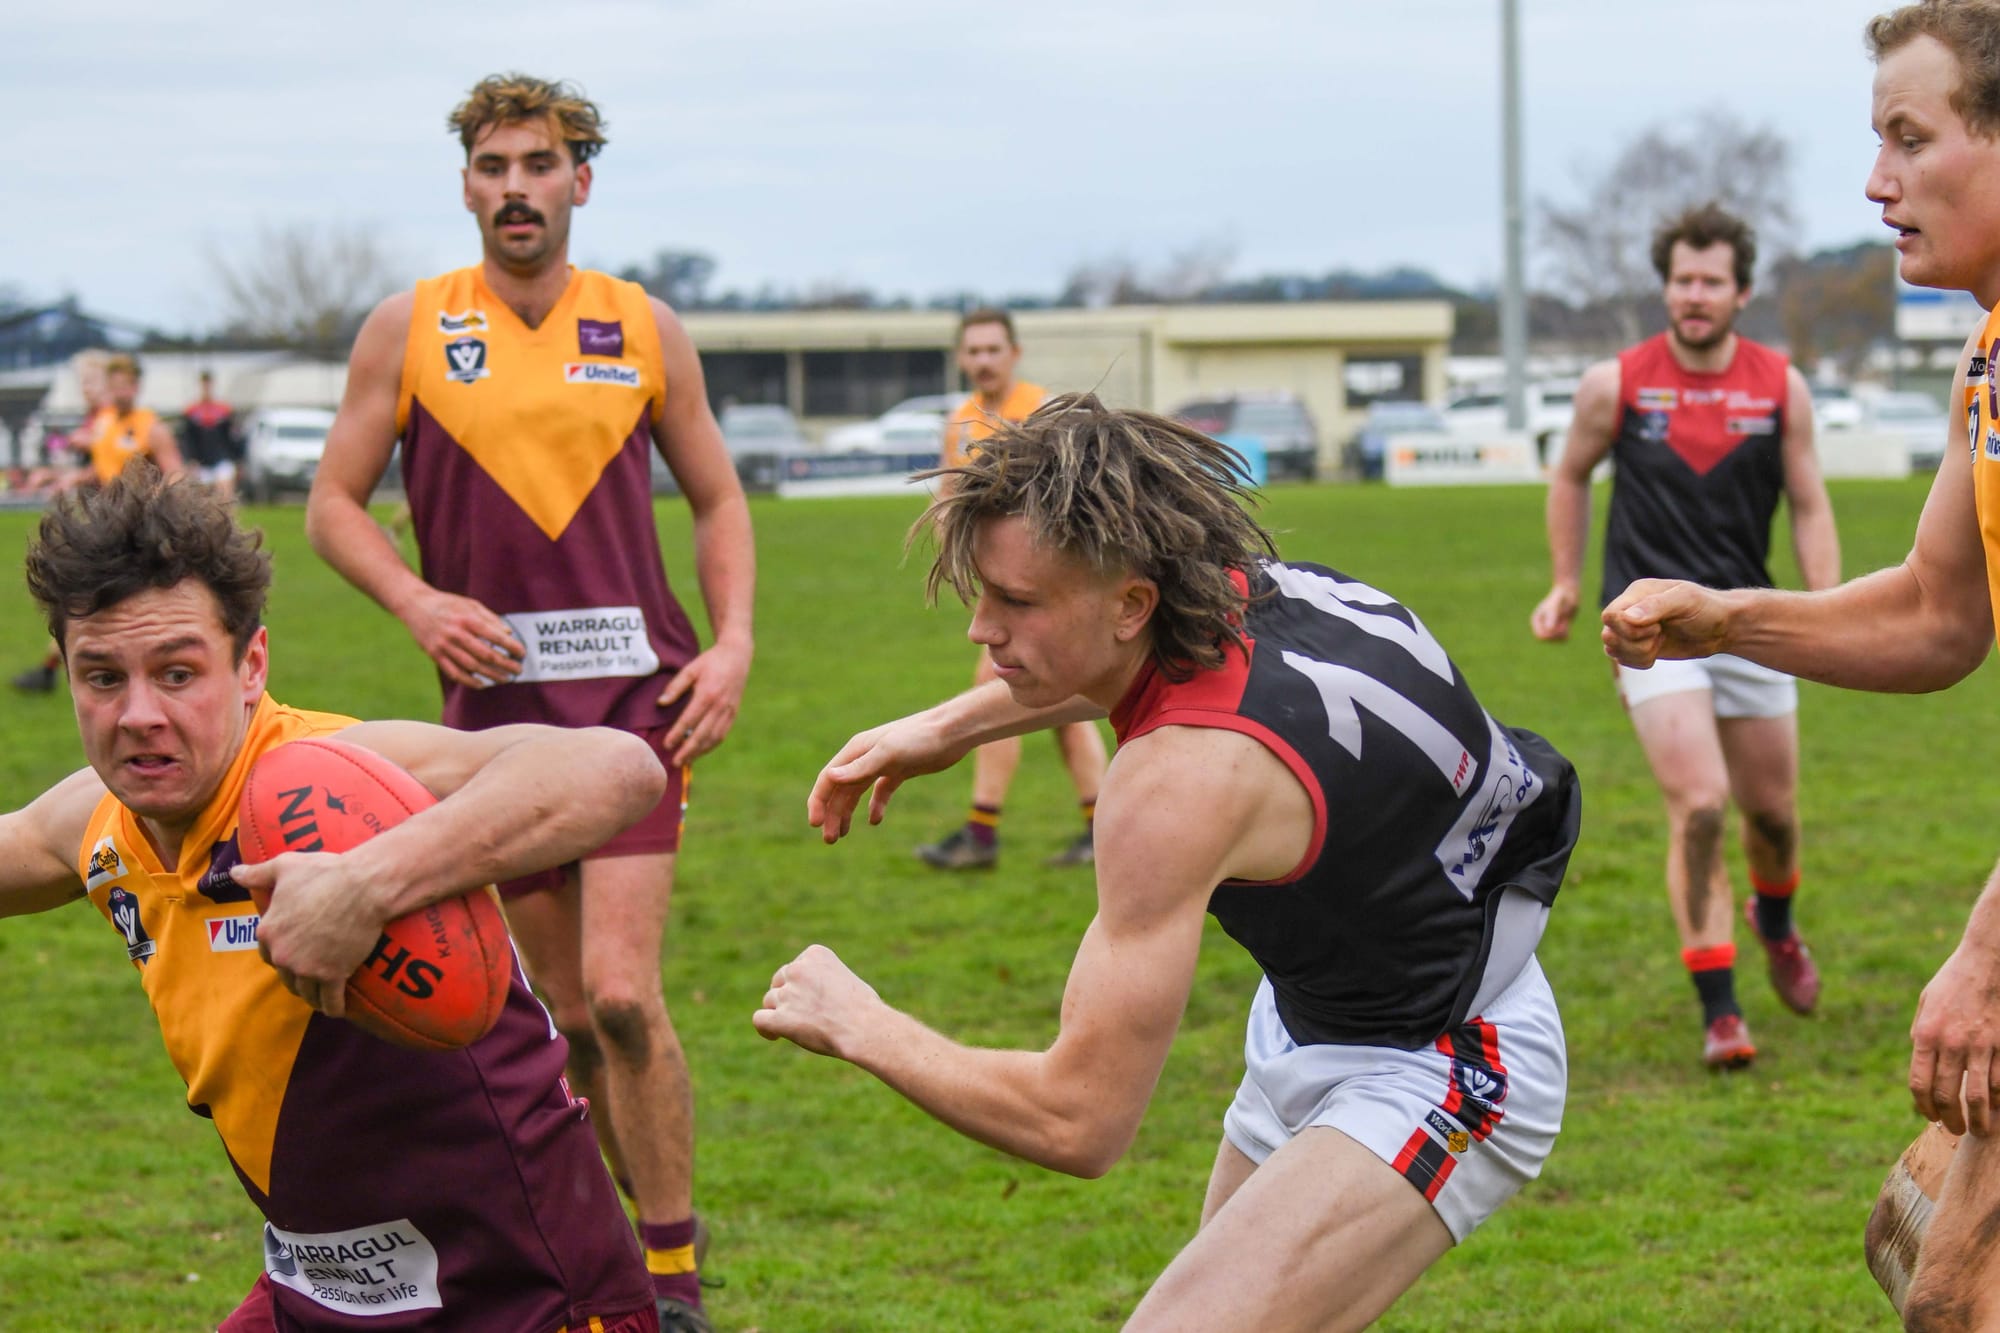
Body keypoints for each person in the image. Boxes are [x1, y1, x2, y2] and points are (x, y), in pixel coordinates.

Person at [764, 395, 1582, 1330]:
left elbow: (1077, 1119)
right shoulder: (1255, 587)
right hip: (1344, 999)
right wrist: (945, 725)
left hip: (1447, 1057)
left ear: (1130, 601)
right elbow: (1129, 673)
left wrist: (861, 1024)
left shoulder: (1174, 787)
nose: (979, 630)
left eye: (1017, 600)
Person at [2, 465, 667, 1332]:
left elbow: (619, 767)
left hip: (520, 1290)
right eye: (100, 677)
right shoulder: (94, 824)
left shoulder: (335, 778)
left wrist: (368, 881)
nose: (138, 716)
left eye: (177, 673)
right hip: (315, 1288)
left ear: (252, 664)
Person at [305, 73, 752, 1333]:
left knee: (619, 992)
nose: (516, 187)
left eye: (539, 165)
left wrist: (731, 647)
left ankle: (671, 1273)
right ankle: (612, 1238)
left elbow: (718, 498)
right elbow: (333, 505)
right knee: (555, 1014)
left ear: (579, 182)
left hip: (634, 699)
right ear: (466, 186)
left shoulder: (646, 325)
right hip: (495, 723)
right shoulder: (407, 327)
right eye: (494, 166)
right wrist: (416, 602)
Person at [1602, 5, 2000, 1319]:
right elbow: (1939, 613)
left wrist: (1989, 946)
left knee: (1951, 1283)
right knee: (1939, 1279)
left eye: (1908, 138)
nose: (1876, 183)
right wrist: (1728, 617)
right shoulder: (1989, 357)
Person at [1530, 202, 1840, 1070]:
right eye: (1681, 280)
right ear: (1666, 286)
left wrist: (1832, 603)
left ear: (1741, 292)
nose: (1693, 295)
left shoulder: (1781, 386)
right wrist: (1563, 580)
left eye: (1711, 281)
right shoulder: (1616, 383)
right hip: (1652, 629)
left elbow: (1809, 501)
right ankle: (1721, 1008)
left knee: (1772, 815)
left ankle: (1774, 919)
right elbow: (1571, 474)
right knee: (1700, 804)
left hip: (1749, 622)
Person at [913, 308, 1107, 870]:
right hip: (1000, 592)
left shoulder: (1046, 413)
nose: (982, 361)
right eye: (972, 351)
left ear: (1014, 354)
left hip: (1050, 591)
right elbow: (950, 502)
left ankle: (982, 833)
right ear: (960, 359)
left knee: (996, 694)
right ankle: (1097, 828)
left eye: (993, 350)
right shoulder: (960, 422)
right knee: (1064, 709)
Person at [14, 351, 184, 694]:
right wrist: (68, 478)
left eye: (125, 386)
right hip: (106, 526)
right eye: (114, 386)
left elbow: (176, 476)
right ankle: (78, 669)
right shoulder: (105, 422)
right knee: (84, 596)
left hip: (140, 530)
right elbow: (102, 467)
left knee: (94, 596)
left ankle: (154, 667)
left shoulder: (151, 427)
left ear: (136, 387)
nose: (119, 393)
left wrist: (151, 504)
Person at [181, 369, 245, 501]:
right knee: (202, 500)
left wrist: (238, 460)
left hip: (221, 458)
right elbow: (187, 439)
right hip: (201, 462)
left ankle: (227, 519)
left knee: (225, 493)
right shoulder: (192, 411)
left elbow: (232, 437)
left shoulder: (223, 410)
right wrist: (189, 460)